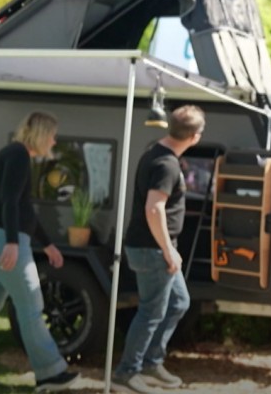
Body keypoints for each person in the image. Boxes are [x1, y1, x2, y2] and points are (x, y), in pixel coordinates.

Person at [0, 111, 79, 392]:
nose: (54, 142)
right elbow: (8, 201)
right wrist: (11, 242)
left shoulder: (15, 154)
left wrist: (47, 243)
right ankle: (49, 374)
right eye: (53, 136)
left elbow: (23, 207)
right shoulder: (18, 155)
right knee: (31, 307)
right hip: (3, 239)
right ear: (42, 134)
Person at [112, 105, 205, 394]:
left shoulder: (155, 153)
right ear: (194, 136)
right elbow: (154, 208)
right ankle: (127, 372)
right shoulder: (166, 164)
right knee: (152, 311)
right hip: (153, 249)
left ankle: (152, 362)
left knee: (179, 303)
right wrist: (168, 249)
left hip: (155, 247)